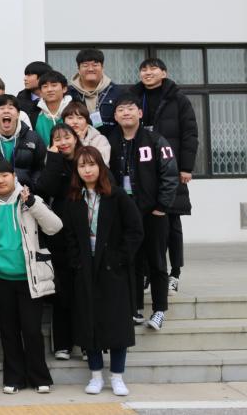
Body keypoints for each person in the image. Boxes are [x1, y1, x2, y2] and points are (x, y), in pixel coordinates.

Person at [0, 161, 62, 394]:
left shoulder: (29, 199)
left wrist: (32, 203)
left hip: (29, 277)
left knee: (32, 330)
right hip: (0, 277)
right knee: (8, 330)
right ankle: (14, 378)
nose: (0, 181)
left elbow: (55, 226)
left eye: (4, 175)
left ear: (14, 176)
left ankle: (39, 377)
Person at [63, 147, 143, 397]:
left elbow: (135, 230)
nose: (87, 170)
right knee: (89, 323)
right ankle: (96, 375)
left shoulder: (116, 196)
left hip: (113, 270)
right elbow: (69, 236)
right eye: (82, 166)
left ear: (100, 166)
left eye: (92, 164)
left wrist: (119, 259)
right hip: (85, 269)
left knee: (117, 324)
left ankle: (117, 377)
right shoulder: (73, 199)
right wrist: (77, 262)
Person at [108, 94, 179, 331]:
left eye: (130, 109)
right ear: (115, 116)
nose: (126, 113)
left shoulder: (156, 140)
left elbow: (170, 174)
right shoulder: (110, 141)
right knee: (131, 260)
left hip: (152, 212)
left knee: (156, 261)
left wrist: (162, 207)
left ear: (139, 113)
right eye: (121, 110)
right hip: (124, 212)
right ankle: (134, 308)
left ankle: (159, 310)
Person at [129, 57, 198, 295]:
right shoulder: (133, 96)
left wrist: (186, 167)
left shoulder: (178, 99)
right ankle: (149, 273)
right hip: (143, 170)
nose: (147, 73)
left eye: (153, 69)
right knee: (146, 223)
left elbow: (190, 134)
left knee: (172, 222)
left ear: (164, 73)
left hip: (171, 168)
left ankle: (174, 274)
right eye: (143, 69)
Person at [34, 122, 84, 361]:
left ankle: (86, 343)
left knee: (83, 290)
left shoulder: (87, 159)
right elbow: (44, 189)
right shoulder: (53, 162)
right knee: (62, 290)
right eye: (57, 139)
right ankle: (62, 344)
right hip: (60, 235)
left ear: (76, 138)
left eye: (67, 137)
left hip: (85, 233)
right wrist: (53, 159)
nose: (63, 143)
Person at [0, 94, 46, 192]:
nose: (6, 111)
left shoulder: (33, 138)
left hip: (25, 193)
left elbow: (40, 168)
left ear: (18, 114)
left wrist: (33, 185)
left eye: (10, 108)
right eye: (1, 108)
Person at [68, 49, 123, 138]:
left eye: (95, 65)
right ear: (78, 69)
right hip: (76, 142)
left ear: (102, 67)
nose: (90, 69)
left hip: (110, 142)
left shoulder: (116, 92)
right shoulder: (69, 93)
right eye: (85, 65)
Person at [26, 70, 72, 146]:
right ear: (40, 92)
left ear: (64, 89)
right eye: (45, 86)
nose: (49, 90)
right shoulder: (33, 114)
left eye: (54, 85)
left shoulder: (75, 110)